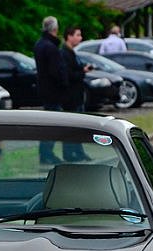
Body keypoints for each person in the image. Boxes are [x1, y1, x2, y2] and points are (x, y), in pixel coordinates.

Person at [34, 16, 66, 164]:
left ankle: (45, 153)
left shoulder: (39, 44)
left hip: (44, 88)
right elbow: (55, 71)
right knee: (54, 123)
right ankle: (47, 153)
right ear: (55, 29)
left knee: (48, 121)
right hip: (53, 90)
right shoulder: (51, 47)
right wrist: (63, 83)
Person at [60, 26, 91, 161]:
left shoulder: (72, 52)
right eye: (77, 35)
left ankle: (78, 151)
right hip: (70, 96)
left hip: (77, 95)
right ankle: (69, 153)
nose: (80, 38)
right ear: (69, 36)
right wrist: (82, 72)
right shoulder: (64, 53)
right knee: (71, 126)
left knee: (79, 126)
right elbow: (69, 74)